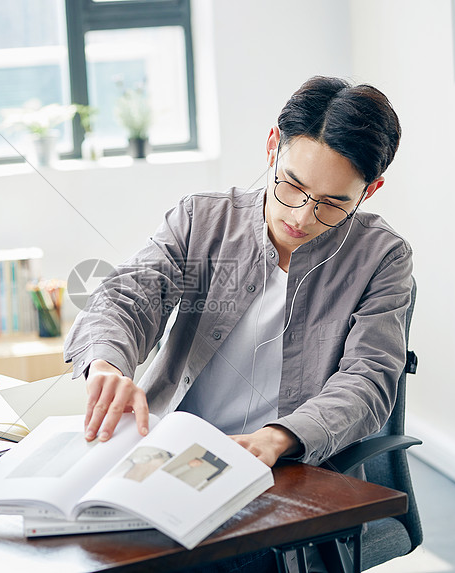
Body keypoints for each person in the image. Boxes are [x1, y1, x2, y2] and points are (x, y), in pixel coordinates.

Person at [64, 75, 412, 570]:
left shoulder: (381, 258)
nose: (302, 215)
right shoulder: (202, 221)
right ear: (273, 146)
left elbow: (368, 380)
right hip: (168, 456)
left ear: (369, 191)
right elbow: (127, 297)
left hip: (284, 469)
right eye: (292, 184)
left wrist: (277, 439)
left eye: (333, 203)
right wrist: (104, 363)